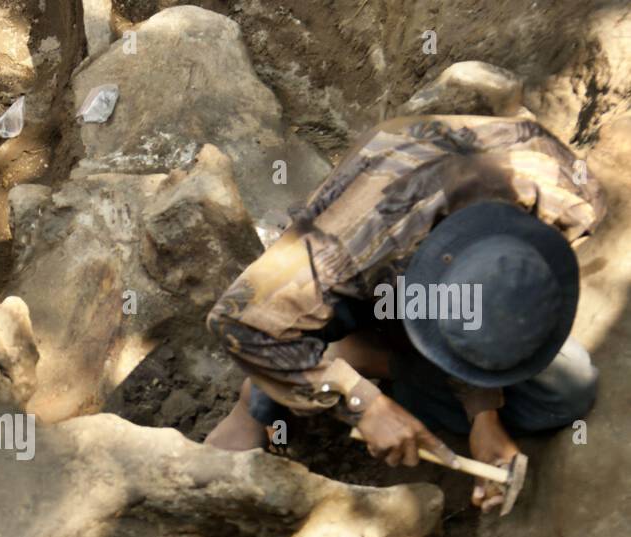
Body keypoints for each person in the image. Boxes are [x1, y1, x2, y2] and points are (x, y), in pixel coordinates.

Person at [204, 115, 604, 511]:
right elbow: (234, 322)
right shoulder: (349, 249)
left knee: (569, 390)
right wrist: (365, 405)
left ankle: (361, 359)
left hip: (432, 269)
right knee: (277, 333)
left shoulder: (568, 195)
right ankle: (280, 385)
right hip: (368, 279)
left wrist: (486, 416)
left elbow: (485, 305)